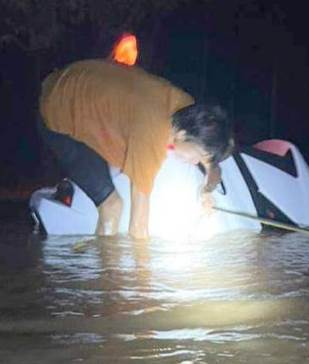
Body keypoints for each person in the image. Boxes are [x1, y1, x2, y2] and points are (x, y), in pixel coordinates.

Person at [37, 57, 233, 239]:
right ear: (181, 135)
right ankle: (104, 276)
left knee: (139, 170)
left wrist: (206, 191)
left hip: (80, 85)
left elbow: (211, 164)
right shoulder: (152, 133)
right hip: (56, 108)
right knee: (112, 207)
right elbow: (138, 229)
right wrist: (143, 275)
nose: (194, 163)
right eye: (196, 156)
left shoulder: (190, 112)